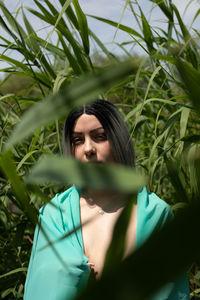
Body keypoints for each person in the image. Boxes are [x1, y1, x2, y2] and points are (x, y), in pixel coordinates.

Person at [23, 99, 190, 300]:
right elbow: (40, 290)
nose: (88, 149)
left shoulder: (156, 215)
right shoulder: (55, 217)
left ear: (118, 139)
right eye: (77, 140)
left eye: (99, 136)